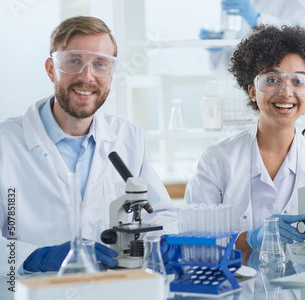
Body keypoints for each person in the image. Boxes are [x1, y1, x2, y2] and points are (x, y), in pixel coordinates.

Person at [0, 16, 177, 274]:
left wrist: (163, 241)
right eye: (74, 61)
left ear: (111, 74)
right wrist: (36, 257)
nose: (87, 77)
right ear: (51, 69)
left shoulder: (128, 137)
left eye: (100, 64)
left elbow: (161, 214)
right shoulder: (6, 143)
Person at [185, 25, 305, 250]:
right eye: (272, 80)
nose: (286, 92)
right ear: (252, 90)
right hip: (239, 283)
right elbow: (195, 240)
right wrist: (251, 239)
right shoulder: (217, 159)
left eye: (298, 81)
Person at [200, 0, 305, 75]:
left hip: (274, 84)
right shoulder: (237, 0)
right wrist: (216, 49)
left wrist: (258, 20)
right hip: (239, 90)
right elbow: (229, 66)